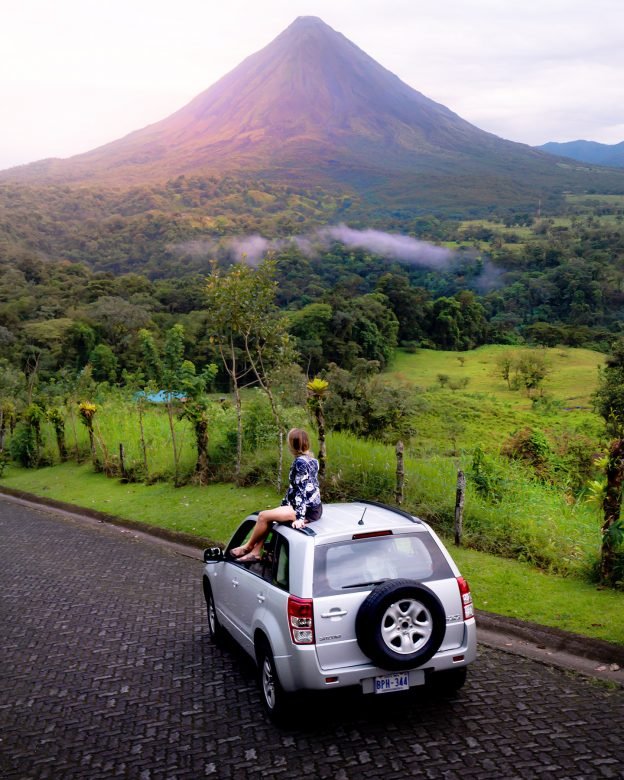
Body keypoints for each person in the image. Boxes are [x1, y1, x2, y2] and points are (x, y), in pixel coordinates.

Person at [230, 428, 322, 562]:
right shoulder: (313, 460)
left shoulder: (300, 462)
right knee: (270, 518)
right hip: (314, 508)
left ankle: (248, 546)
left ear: (292, 445)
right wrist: (284, 505)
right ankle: (255, 552)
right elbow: (305, 488)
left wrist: (300, 518)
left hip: (305, 510)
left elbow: (301, 490)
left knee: (262, 516)